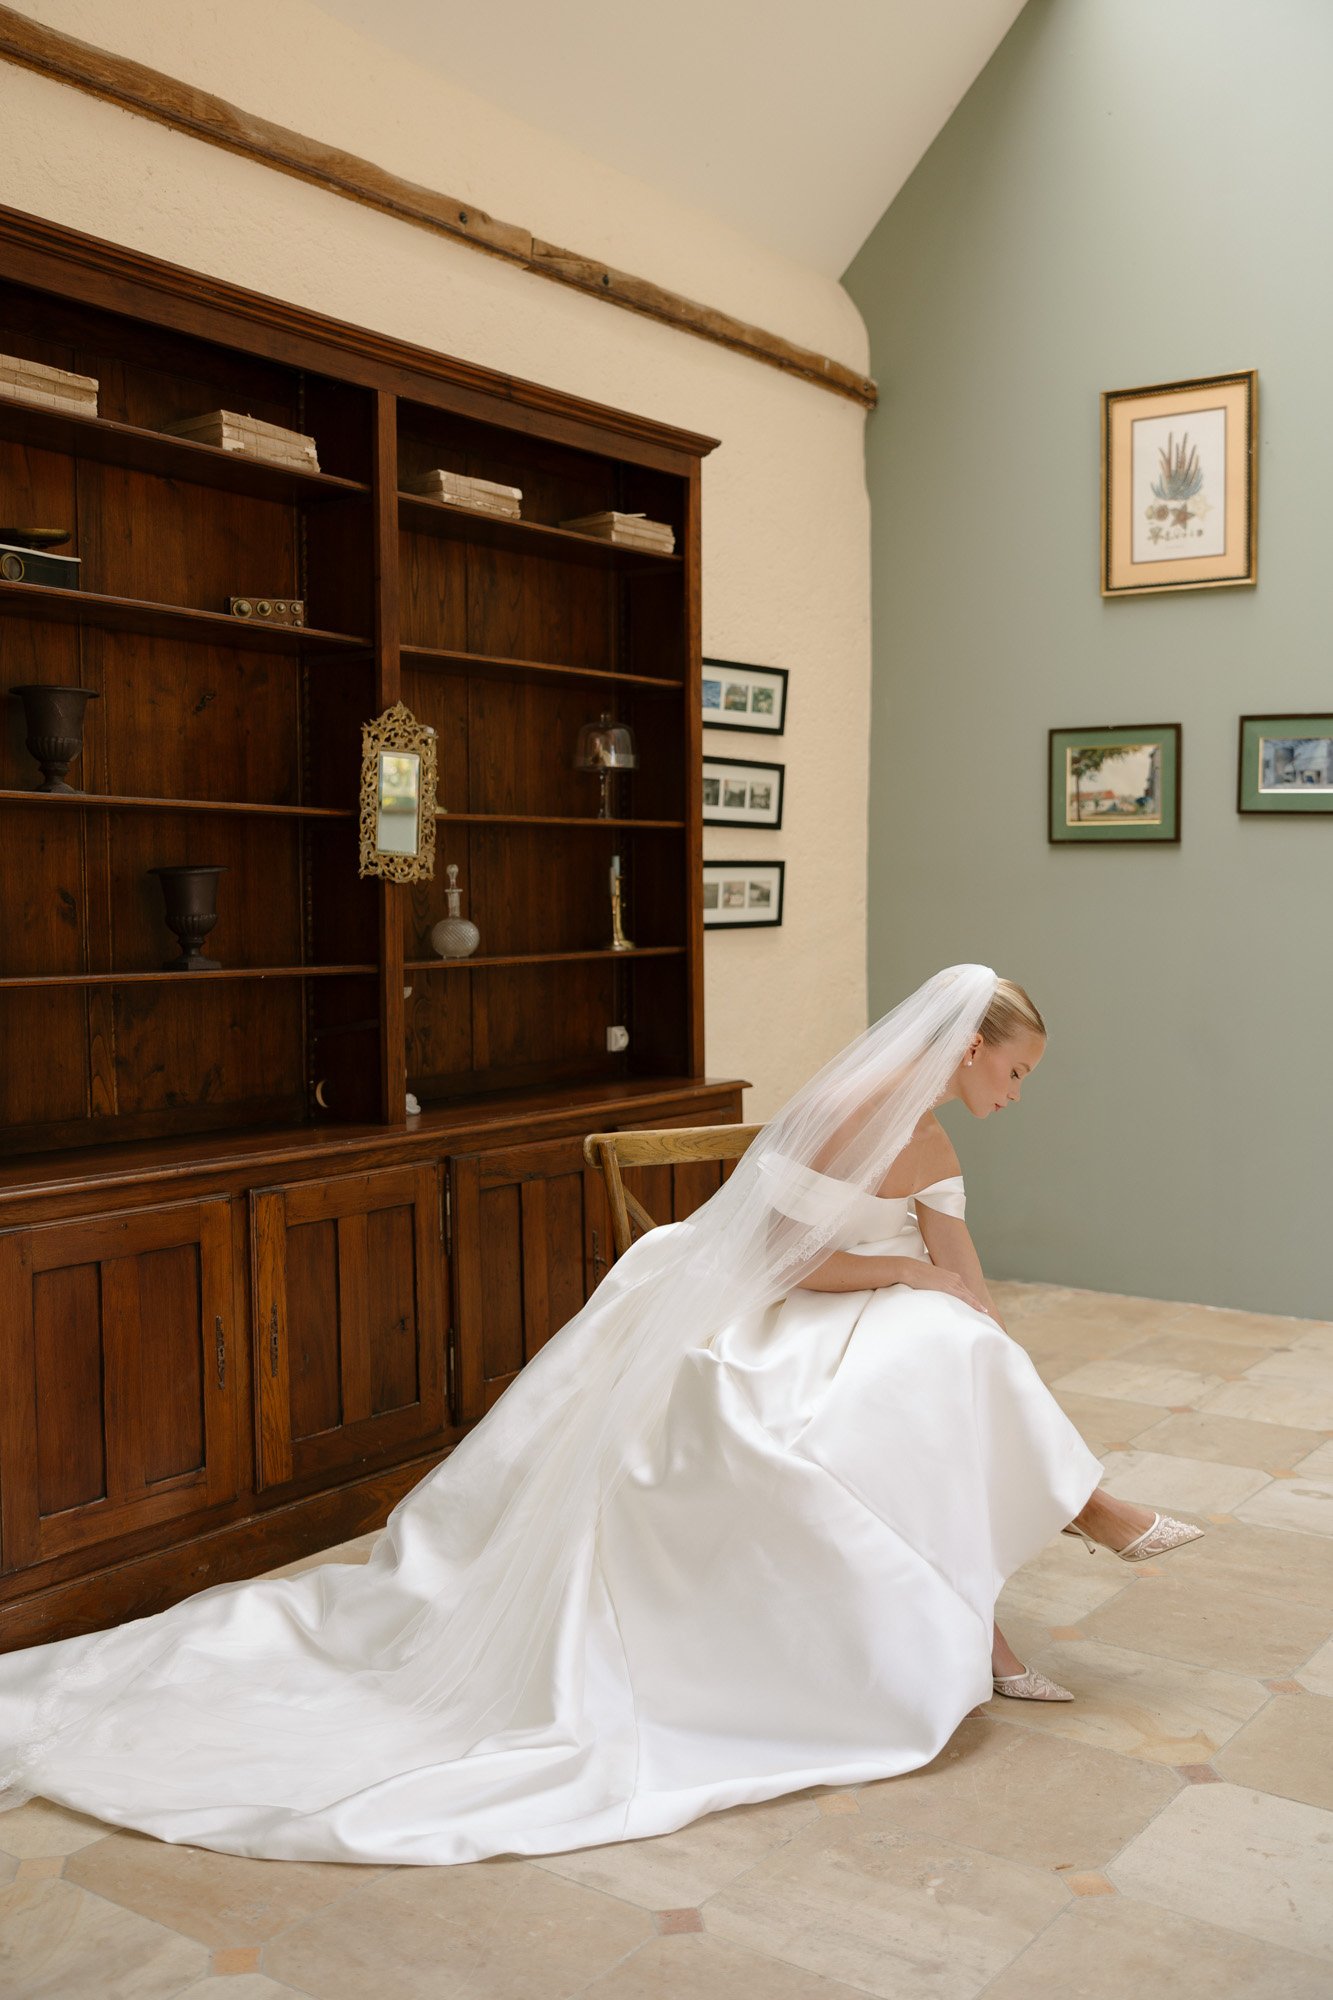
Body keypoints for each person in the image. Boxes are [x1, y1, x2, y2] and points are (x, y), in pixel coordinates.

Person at [0, 963, 1202, 1865]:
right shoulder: (857, 1112)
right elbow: (779, 1268)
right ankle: (1078, 1520)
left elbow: (963, 1270)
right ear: (966, 1046)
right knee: (925, 1346)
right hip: (750, 1308)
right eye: (1017, 1069)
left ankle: (1016, 1573)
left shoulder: (932, 1130)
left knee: (958, 1355)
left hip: (848, 1297)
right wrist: (906, 1278)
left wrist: (967, 1314)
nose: (1020, 1090)